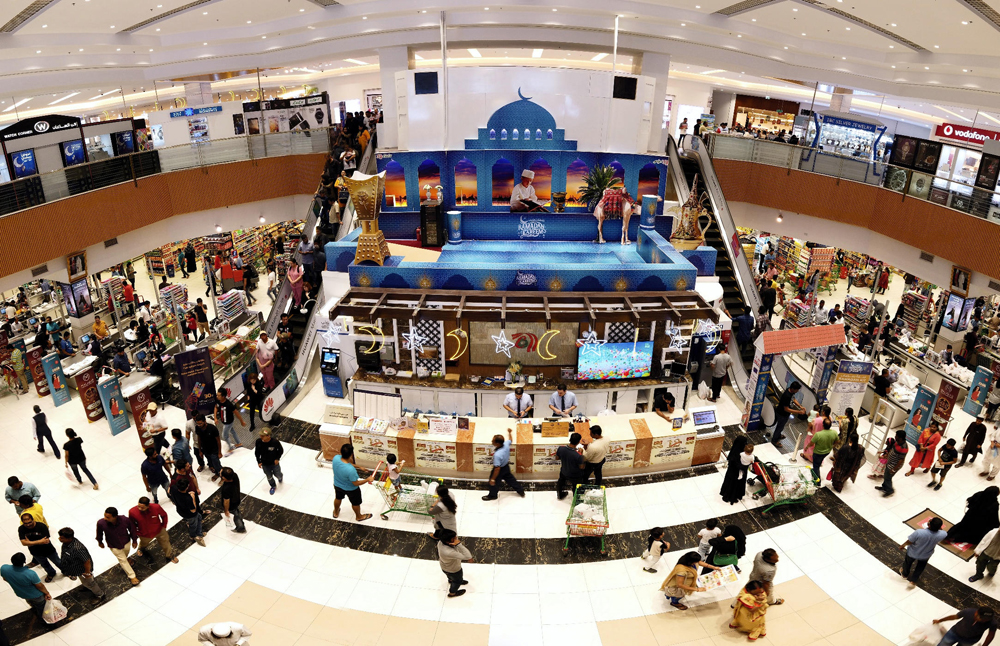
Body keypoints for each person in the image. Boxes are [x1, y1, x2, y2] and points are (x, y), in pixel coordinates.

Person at [899, 516, 948, 588]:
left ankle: (904, 575)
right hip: (926, 555)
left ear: (929, 524)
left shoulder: (919, 532)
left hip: (912, 552)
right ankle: (913, 581)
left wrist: (903, 545)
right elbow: (942, 531)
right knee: (920, 567)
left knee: (907, 563)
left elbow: (910, 541)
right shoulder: (943, 534)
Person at [95, 507, 139, 586]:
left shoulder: (124, 520)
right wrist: (100, 542)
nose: (105, 518)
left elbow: (132, 529)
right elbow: (99, 533)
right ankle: (132, 576)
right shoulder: (101, 523)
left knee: (125, 556)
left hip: (126, 542)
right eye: (104, 516)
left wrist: (134, 540)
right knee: (122, 560)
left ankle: (126, 560)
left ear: (115, 517)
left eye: (108, 517)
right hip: (113, 545)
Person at [128, 497, 178, 565]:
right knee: (143, 543)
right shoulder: (132, 512)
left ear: (148, 506)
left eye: (142, 507)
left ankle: (169, 555)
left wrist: (164, 526)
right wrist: (137, 533)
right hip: (144, 534)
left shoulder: (156, 507)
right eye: (138, 506)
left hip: (159, 530)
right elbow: (131, 524)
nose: (139, 509)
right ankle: (141, 549)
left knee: (166, 543)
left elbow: (164, 515)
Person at [57, 528, 103, 599]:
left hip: (83, 570)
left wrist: (87, 573)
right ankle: (86, 586)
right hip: (76, 568)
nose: (59, 539)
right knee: (85, 582)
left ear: (69, 538)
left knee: (90, 583)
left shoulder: (78, 548)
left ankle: (100, 594)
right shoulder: (66, 544)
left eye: (62, 538)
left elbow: (87, 561)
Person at [1, 553, 50, 619]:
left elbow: (5, 579)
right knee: (41, 608)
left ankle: (34, 609)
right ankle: (43, 618)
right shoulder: (30, 573)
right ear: (24, 562)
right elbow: (40, 586)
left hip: (22, 594)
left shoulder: (4, 568)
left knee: (31, 603)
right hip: (36, 596)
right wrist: (47, 593)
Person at [333, 444, 374, 521]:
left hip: (337, 485)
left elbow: (346, 463)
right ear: (351, 454)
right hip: (351, 489)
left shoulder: (336, 458)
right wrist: (367, 479)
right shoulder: (351, 470)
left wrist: (359, 467)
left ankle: (335, 512)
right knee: (355, 503)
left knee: (338, 498)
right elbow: (356, 483)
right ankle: (359, 517)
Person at [482, 428, 525, 500]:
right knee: (511, 480)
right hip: (506, 467)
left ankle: (493, 495)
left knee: (494, 483)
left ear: (497, 443)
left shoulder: (497, 455)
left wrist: (493, 479)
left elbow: (497, 468)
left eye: (493, 441)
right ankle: (520, 490)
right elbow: (510, 440)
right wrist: (509, 433)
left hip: (500, 470)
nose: (491, 441)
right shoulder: (506, 444)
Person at [18, 515, 62, 582]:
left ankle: (66, 571)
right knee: (44, 565)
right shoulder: (21, 529)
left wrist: (30, 542)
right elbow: (23, 543)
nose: (28, 525)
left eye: (29, 522)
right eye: (25, 523)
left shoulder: (42, 526)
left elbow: (46, 541)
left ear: (33, 520)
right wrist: (40, 541)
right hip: (36, 552)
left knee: (58, 562)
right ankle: (51, 573)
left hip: (48, 550)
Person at [437, 529, 474, 598]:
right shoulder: (449, 552)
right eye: (454, 538)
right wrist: (459, 544)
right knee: (457, 581)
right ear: (448, 541)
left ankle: (451, 580)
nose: (456, 538)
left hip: (444, 567)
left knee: (450, 576)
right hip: (453, 570)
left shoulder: (440, 542)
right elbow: (468, 557)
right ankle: (452, 593)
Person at [932, 607, 997, 646]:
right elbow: (955, 616)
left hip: (969, 640)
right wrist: (939, 620)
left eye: (986, 619)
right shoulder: (968, 611)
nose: (983, 620)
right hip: (954, 633)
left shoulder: (992, 623)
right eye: (981, 618)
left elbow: (990, 635)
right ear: (976, 613)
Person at [172, 477, 206, 546]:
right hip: (190, 514)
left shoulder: (173, 488)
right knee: (193, 524)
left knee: (199, 517)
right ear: (187, 487)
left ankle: (199, 533)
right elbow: (193, 510)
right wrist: (192, 497)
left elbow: (169, 491)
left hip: (180, 510)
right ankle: (193, 536)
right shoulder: (188, 498)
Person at [876, 430, 909, 497]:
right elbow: (891, 449)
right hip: (889, 462)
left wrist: (894, 469)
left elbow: (901, 460)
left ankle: (889, 490)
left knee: (888, 477)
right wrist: (885, 455)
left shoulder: (904, 448)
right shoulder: (897, 442)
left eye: (896, 436)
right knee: (886, 475)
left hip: (893, 465)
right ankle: (884, 487)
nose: (895, 437)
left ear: (900, 438)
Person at [721, 436, 753, 504]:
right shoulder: (740, 453)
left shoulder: (735, 450)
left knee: (730, 483)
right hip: (737, 472)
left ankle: (727, 494)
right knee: (736, 484)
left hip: (732, 472)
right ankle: (734, 496)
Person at [806, 418, 838, 484]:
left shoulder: (818, 434)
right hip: (827, 452)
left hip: (818, 452)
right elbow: (837, 441)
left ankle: (818, 481)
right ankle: (815, 470)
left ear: (823, 425)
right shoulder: (834, 433)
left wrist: (807, 447)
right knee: (819, 462)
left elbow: (811, 443)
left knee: (816, 466)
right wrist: (832, 446)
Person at [215, 388, 246, 453]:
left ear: (223, 396)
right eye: (217, 395)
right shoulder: (218, 400)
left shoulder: (229, 404)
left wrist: (242, 421)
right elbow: (216, 407)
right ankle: (239, 443)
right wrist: (215, 417)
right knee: (232, 431)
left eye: (218, 395)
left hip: (228, 422)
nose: (217, 396)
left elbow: (236, 412)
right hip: (224, 421)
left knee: (224, 435)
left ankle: (230, 448)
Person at [556, 432, 586, 500]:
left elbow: (557, 458)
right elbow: (581, 467)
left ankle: (560, 495)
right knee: (576, 486)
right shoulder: (578, 455)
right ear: (578, 442)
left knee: (561, 482)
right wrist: (581, 454)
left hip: (564, 471)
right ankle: (576, 498)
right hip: (574, 475)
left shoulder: (561, 448)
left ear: (569, 439)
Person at [255, 428, 283, 496]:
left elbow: (280, 450)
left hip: (274, 463)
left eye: (263, 436)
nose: (261, 437)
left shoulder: (275, 442)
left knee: (277, 474)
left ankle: (280, 477)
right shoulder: (258, 441)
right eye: (260, 435)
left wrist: (277, 459)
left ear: (268, 436)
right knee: (269, 476)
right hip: (265, 463)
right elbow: (257, 452)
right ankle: (273, 486)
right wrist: (259, 461)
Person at [194, 414, 223, 480]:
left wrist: (219, 452)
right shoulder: (197, 428)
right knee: (209, 459)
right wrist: (200, 451)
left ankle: (219, 473)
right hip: (205, 449)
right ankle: (212, 467)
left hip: (214, 449)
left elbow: (218, 441)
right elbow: (199, 438)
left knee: (216, 462)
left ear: (205, 421)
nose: (199, 425)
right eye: (197, 423)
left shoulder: (212, 428)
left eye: (200, 423)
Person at [219, 468, 246, 533]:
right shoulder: (234, 476)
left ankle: (240, 527)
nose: (220, 471)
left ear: (224, 478)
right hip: (236, 498)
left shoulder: (226, 488)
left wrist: (226, 510)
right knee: (237, 512)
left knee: (235, 516)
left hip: (231, 505)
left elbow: (226, 501)